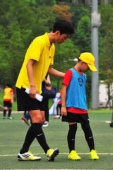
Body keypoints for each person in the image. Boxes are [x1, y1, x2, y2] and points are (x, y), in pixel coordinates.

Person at [15, 19, 74, 161]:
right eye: (64, 37)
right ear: (57, 33)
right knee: (36, 118)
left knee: (40, 120)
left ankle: (23, 151)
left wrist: (66, 75)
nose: (64, 41)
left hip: (37, 88)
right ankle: (48, 150)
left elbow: (48, 69)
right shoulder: (39, 42)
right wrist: (33, 86)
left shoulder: (51, 47)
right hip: (26, 86)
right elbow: (29, 64)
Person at [61, 52, 99, 161]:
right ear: (82, 63)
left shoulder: (84, 75)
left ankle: (92, 151)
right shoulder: (70, 72)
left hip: (82, 107)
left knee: (87, 128)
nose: (88, 69)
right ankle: (71, 152)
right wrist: (63, 106)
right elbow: (63, 89)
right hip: (71, 106)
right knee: (73, 128)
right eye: (88, 66)